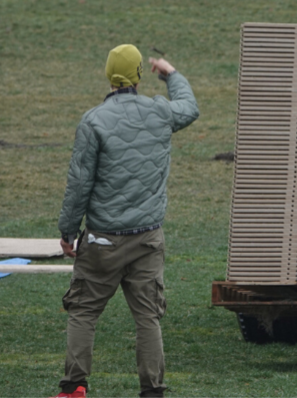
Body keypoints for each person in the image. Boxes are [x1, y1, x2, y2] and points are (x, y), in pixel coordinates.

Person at [50, 45, 199, 398]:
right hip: (148, 238)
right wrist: (172, 74)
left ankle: (75, 386)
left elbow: (79, 182)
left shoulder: (93, 120)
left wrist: (68, 230)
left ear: (108, 76)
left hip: (103, 241)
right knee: (147, 318)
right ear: (138, 76)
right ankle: (153, 390)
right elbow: (190, 108)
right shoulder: (160, 112)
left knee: (83, 313)